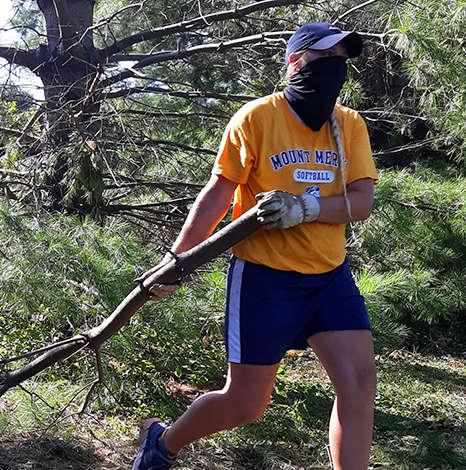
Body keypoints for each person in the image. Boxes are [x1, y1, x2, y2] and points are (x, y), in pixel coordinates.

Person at [133, 23, 377, 470]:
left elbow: (360, 202)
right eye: (325, 57)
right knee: (245, 405)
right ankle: (161, 444)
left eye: (341, 60)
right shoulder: (258, 118)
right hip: (266, 278)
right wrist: (177, 261)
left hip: (329, 278)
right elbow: (218, 195)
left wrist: (305, 208)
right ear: (295, 62)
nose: (335, 67)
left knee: (359, 387)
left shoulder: (349, 123)